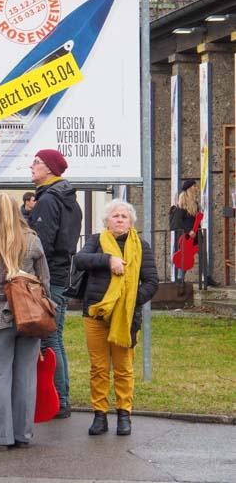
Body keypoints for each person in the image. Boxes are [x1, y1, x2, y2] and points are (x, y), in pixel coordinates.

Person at [0, 193, 50, 451]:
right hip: (30, 315)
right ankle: (22, 434)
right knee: (26, 376)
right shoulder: (33, 240)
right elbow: (44, 280)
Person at [73, 199, 158, 437]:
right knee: (98, 368)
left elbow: (152, 282)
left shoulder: (141, 245)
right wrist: (107, 260)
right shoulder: (96, 241)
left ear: (131, 222)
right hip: (96, 315)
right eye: (115, 216)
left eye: (124, 216)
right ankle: (100, 415)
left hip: (127, 317)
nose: (120, 219)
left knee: (123, 368)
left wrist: (128, 301)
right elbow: (80, 260)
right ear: (107, 221)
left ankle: (124, 414)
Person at [28, 149, 83, 419]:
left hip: (49, 278)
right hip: (60, 276)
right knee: (55, 338)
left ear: (49, 168)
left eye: (36, 163)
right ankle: (61, 397)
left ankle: (59, 400)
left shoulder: (49, 200)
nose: (32, 166)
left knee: (50, 339)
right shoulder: (67, 197)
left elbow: (40, 244)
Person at [169, 179, 207, 286]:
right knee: (184, 256)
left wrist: (198, 233)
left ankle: (207, 277)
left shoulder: (195, 203)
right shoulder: (181, 203)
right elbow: (177, 222)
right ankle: (180, 278)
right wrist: (188, 231)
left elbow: (196, 220)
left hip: (196, 234)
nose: (196, 188)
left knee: (203, 254)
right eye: (194, 186)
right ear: (190, 188)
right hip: (185, 237)